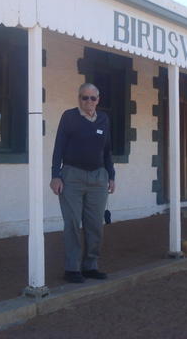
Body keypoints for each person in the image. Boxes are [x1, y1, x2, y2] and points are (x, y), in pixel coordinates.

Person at [50, 83, 116, 283]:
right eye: (84, 97)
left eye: (92, 98)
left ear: (98, 100)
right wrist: (55, 175)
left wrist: (111, 175)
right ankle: (72, 268)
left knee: (95, 224)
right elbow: (58, 147)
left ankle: (90, 266)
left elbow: (107, 150)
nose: (88, 102)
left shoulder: (104, 119)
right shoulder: (69, 117)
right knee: (71, 223)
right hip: (72, 177)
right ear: (78, 98)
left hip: (98, 177)